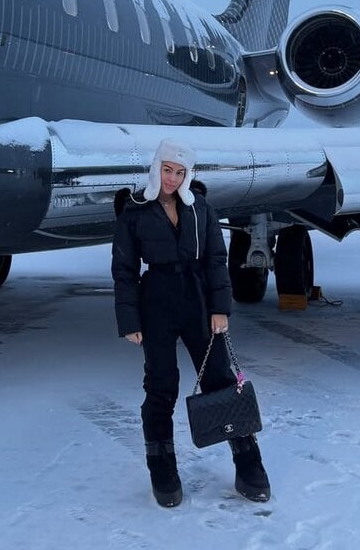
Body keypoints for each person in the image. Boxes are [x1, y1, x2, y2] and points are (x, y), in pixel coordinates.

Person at [111, 138, 270, 507]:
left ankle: (249, 463)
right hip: (157, 302)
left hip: (197, 299)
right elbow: (124, 268)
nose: (172, 178)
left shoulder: (200, 207)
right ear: (156, 168)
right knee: (161, 385)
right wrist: (129, 319)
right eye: (167, 169)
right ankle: (162, 466)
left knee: (221, 378)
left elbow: (217, 258)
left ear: (188, 174)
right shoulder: (135, 209)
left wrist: (220, 308)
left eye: (179, 172)